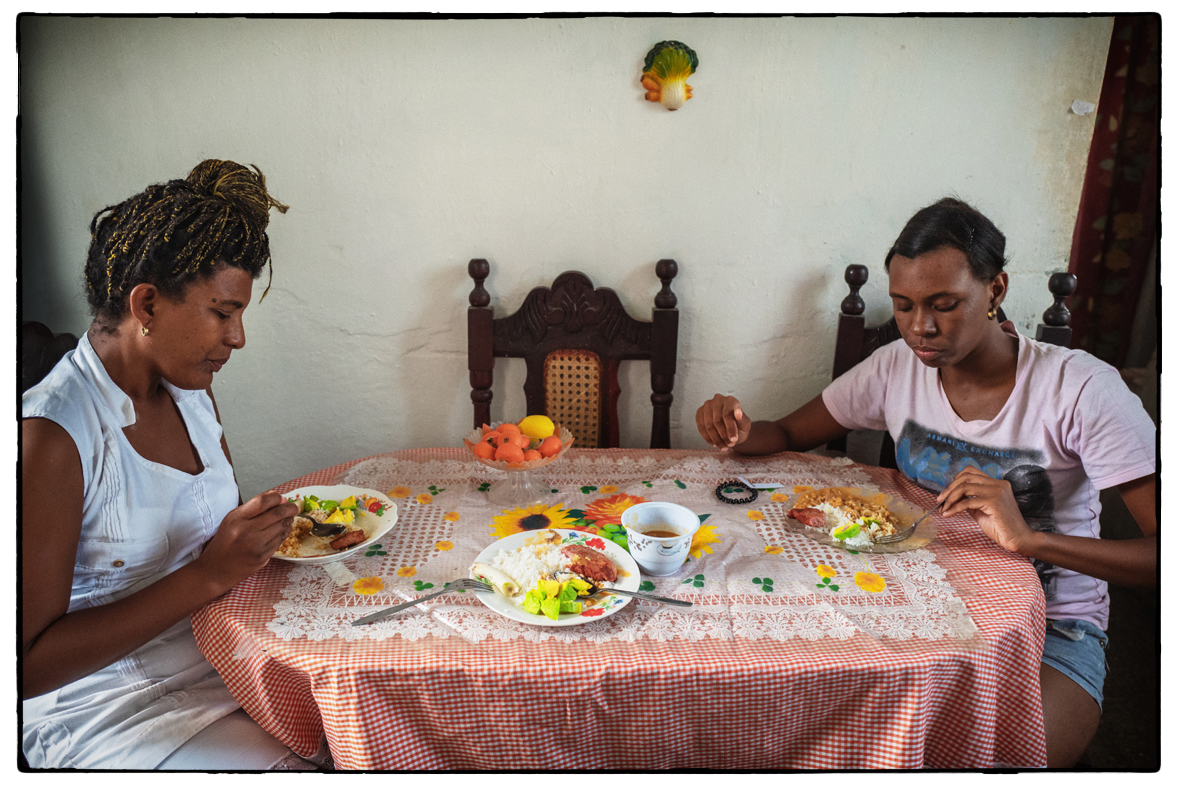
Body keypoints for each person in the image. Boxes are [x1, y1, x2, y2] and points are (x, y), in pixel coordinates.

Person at [695, 197, 1156, 769]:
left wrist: (1032, 541)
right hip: (908, 603)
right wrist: (737, 428)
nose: (921, 328)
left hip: (1053, 628)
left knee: (1006, 766)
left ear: (996, 290)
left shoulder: (1081, 390)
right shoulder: (896, 367)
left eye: (945, 304)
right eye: (905, 306)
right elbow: (788, 429)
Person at [21, 160, 320, 769]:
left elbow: (216, 534)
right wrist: (208, 576)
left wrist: (256, 534)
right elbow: (25, 664)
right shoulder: (52, 436)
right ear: (148, 304)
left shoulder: (190, 390)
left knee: (360, 738)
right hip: (106, 708)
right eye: (222, 312)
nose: (238, 337)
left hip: (222, 660)